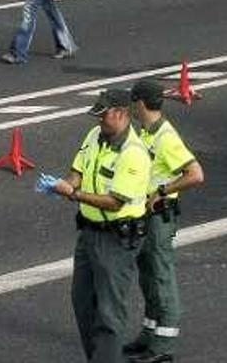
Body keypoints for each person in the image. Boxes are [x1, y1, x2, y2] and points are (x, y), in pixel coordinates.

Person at [50, 89, 152, 363]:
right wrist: (65, 184)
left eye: (103, 115)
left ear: (120, 113)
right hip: (89, 234)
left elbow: (114, 202)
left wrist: (72, 194)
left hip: (117, 241)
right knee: (82, 302)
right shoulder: (95, 137)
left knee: (109, 312)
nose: (98, 122)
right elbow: (78, 172)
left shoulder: (134, 154)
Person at [123, 80, 204, 363]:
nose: (130, 106)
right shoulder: (145, 131)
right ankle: (149, 336)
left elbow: (195, 174)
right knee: (148, 276)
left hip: (159, 217)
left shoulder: (165, 137)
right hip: (145, 215)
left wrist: (161, 192)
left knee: (160, 277)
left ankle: (163, 348)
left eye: (132, 101)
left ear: (140, 104)